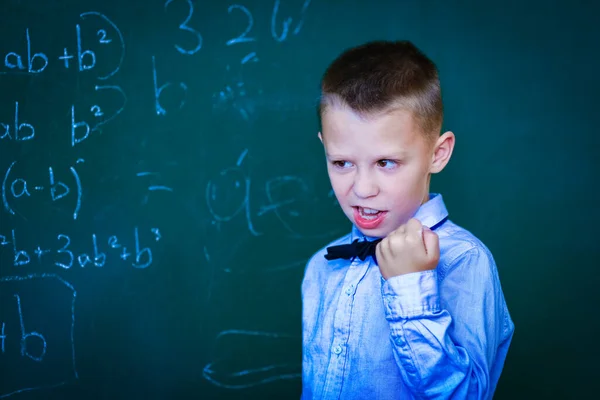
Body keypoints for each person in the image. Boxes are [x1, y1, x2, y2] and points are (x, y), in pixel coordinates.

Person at [301, 40, 515, 399]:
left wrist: (409, 287)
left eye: (386, 163)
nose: (362, 189)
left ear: (438, 154)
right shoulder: (321, 267)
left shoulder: (464, 260)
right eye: (342, 163)